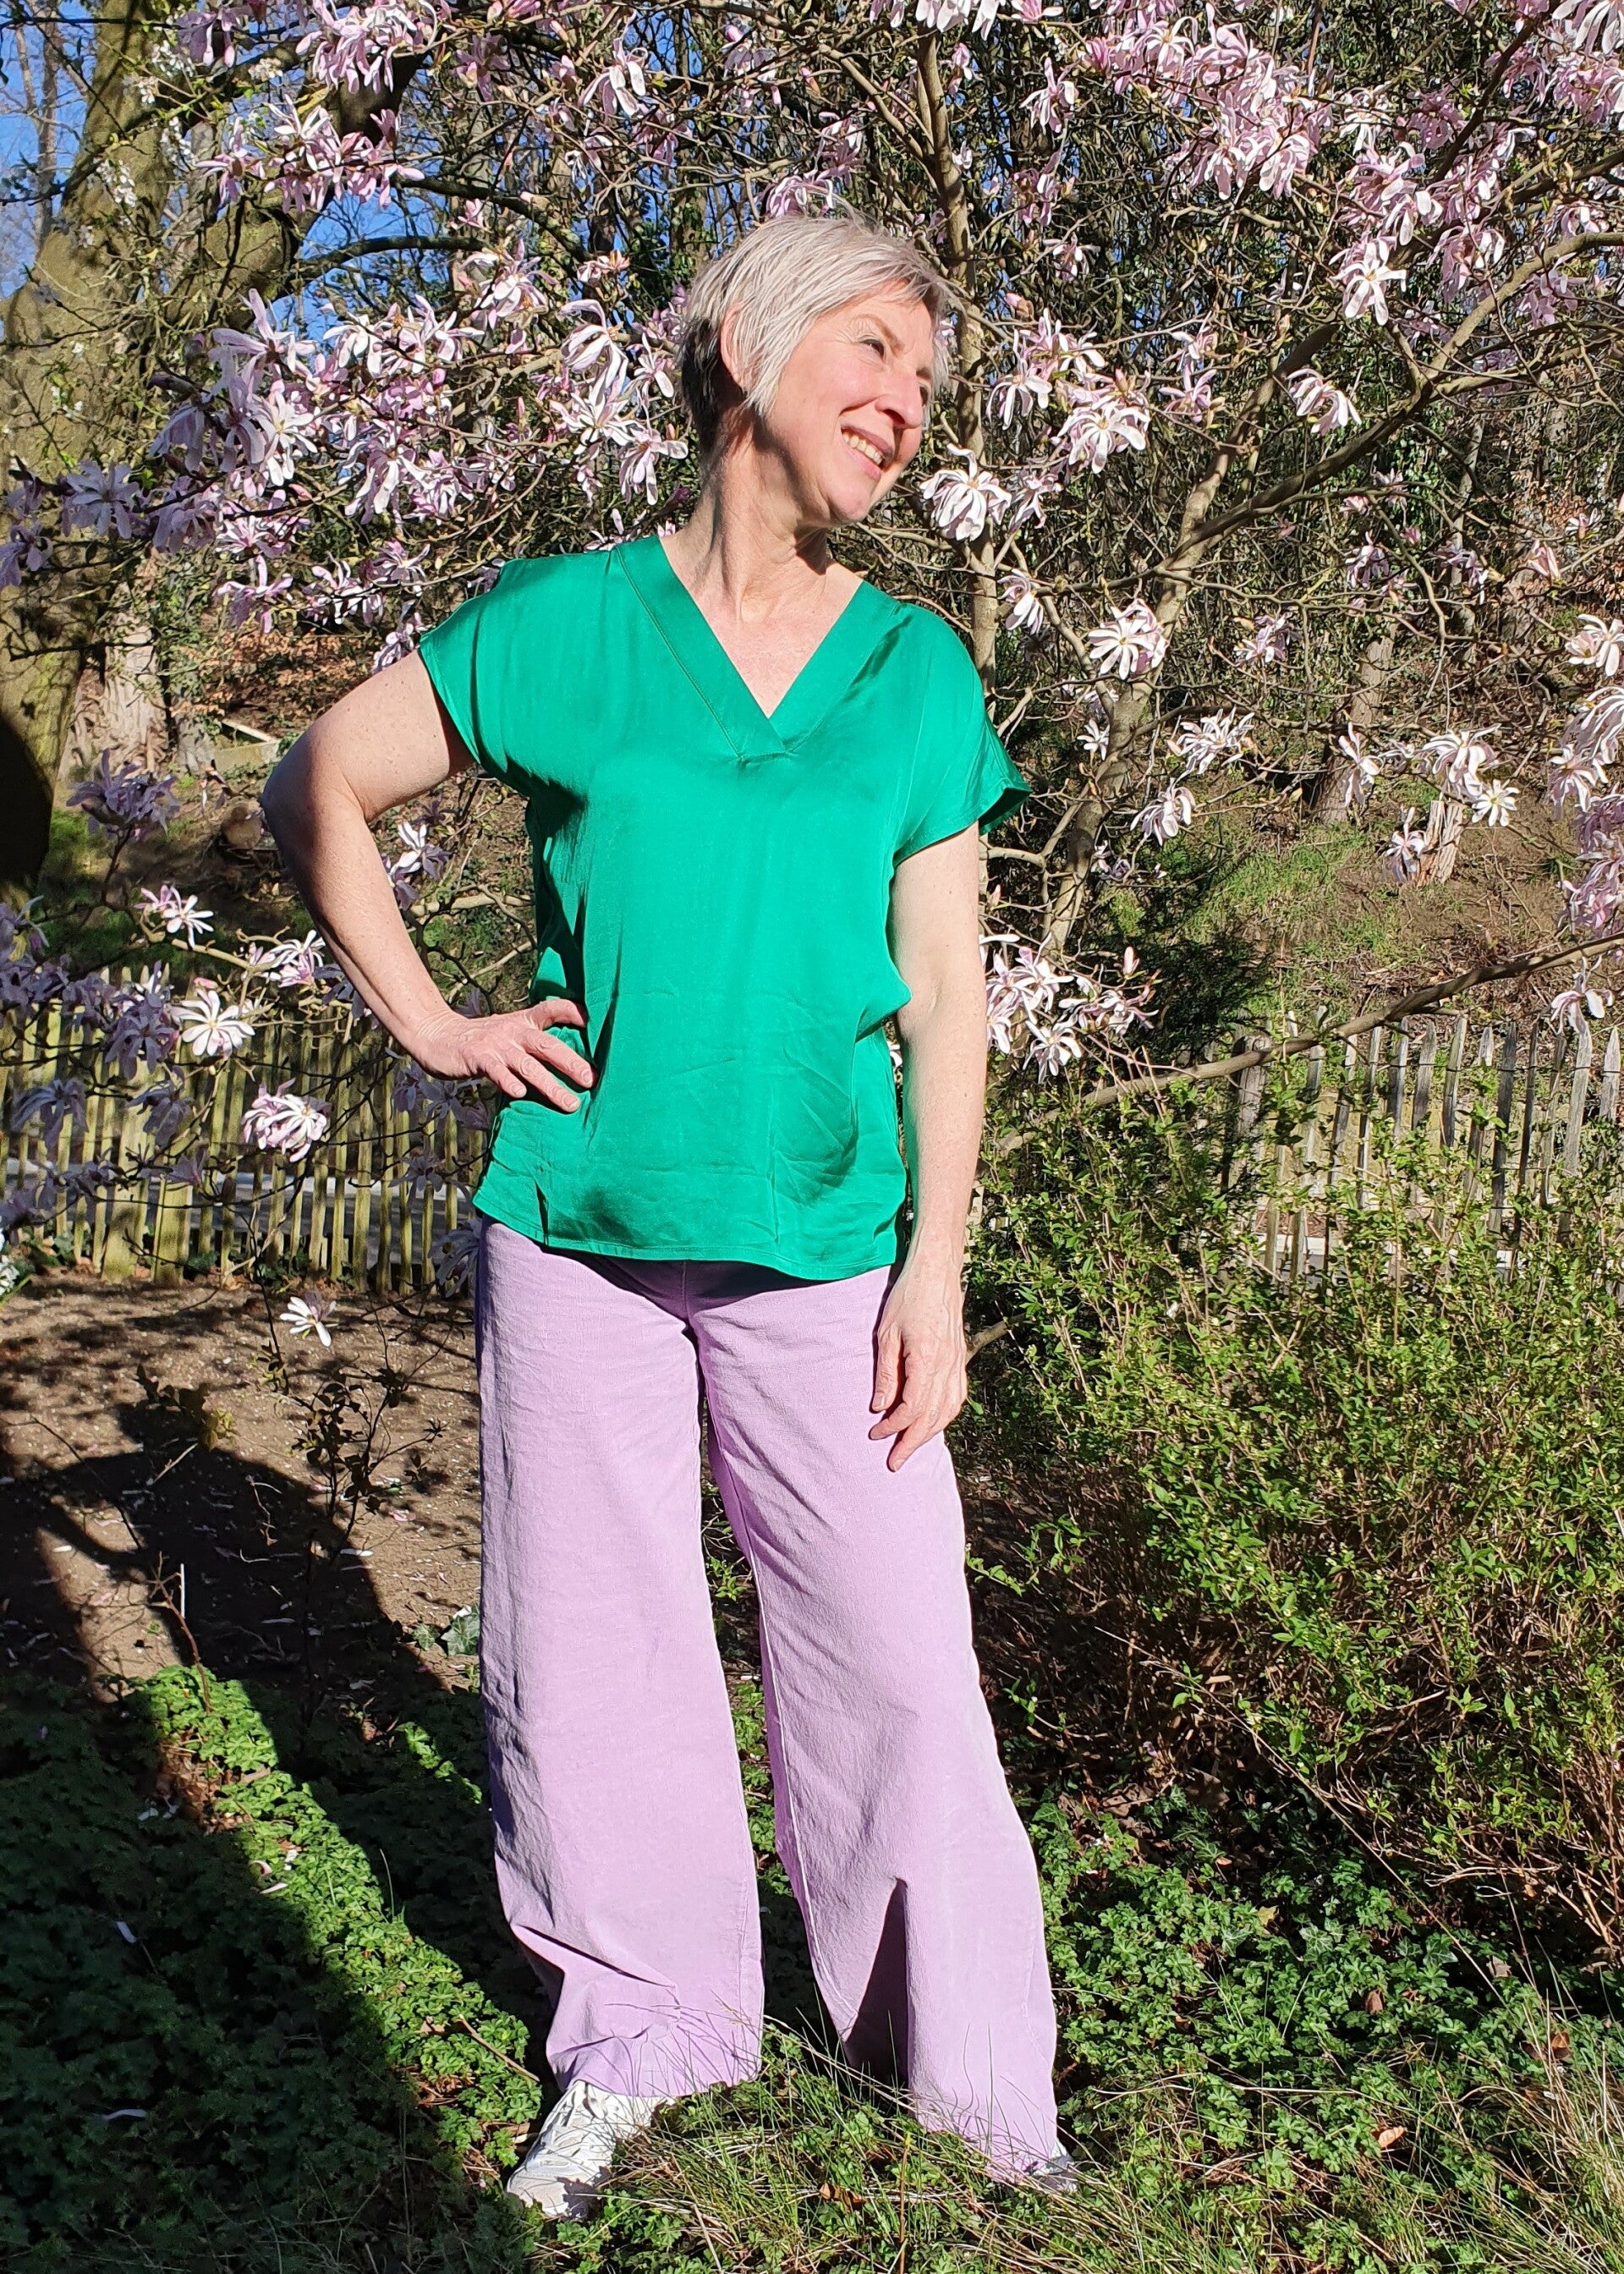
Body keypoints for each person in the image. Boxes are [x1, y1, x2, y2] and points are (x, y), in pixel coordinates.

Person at [261, 211, 1072, 2222]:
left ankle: (976, 2092)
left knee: (900, 1664)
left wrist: (938, 1267)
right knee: (597, 1657)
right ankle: (642, 2036)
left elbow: (949, 993)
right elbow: (319, 783)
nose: (904, 405)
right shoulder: (570, 625)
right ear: (746, 356)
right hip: (581, 1240)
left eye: (925, 381)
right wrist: (437, 1023)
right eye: (871, 354)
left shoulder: (911, 672)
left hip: (833, 1250)